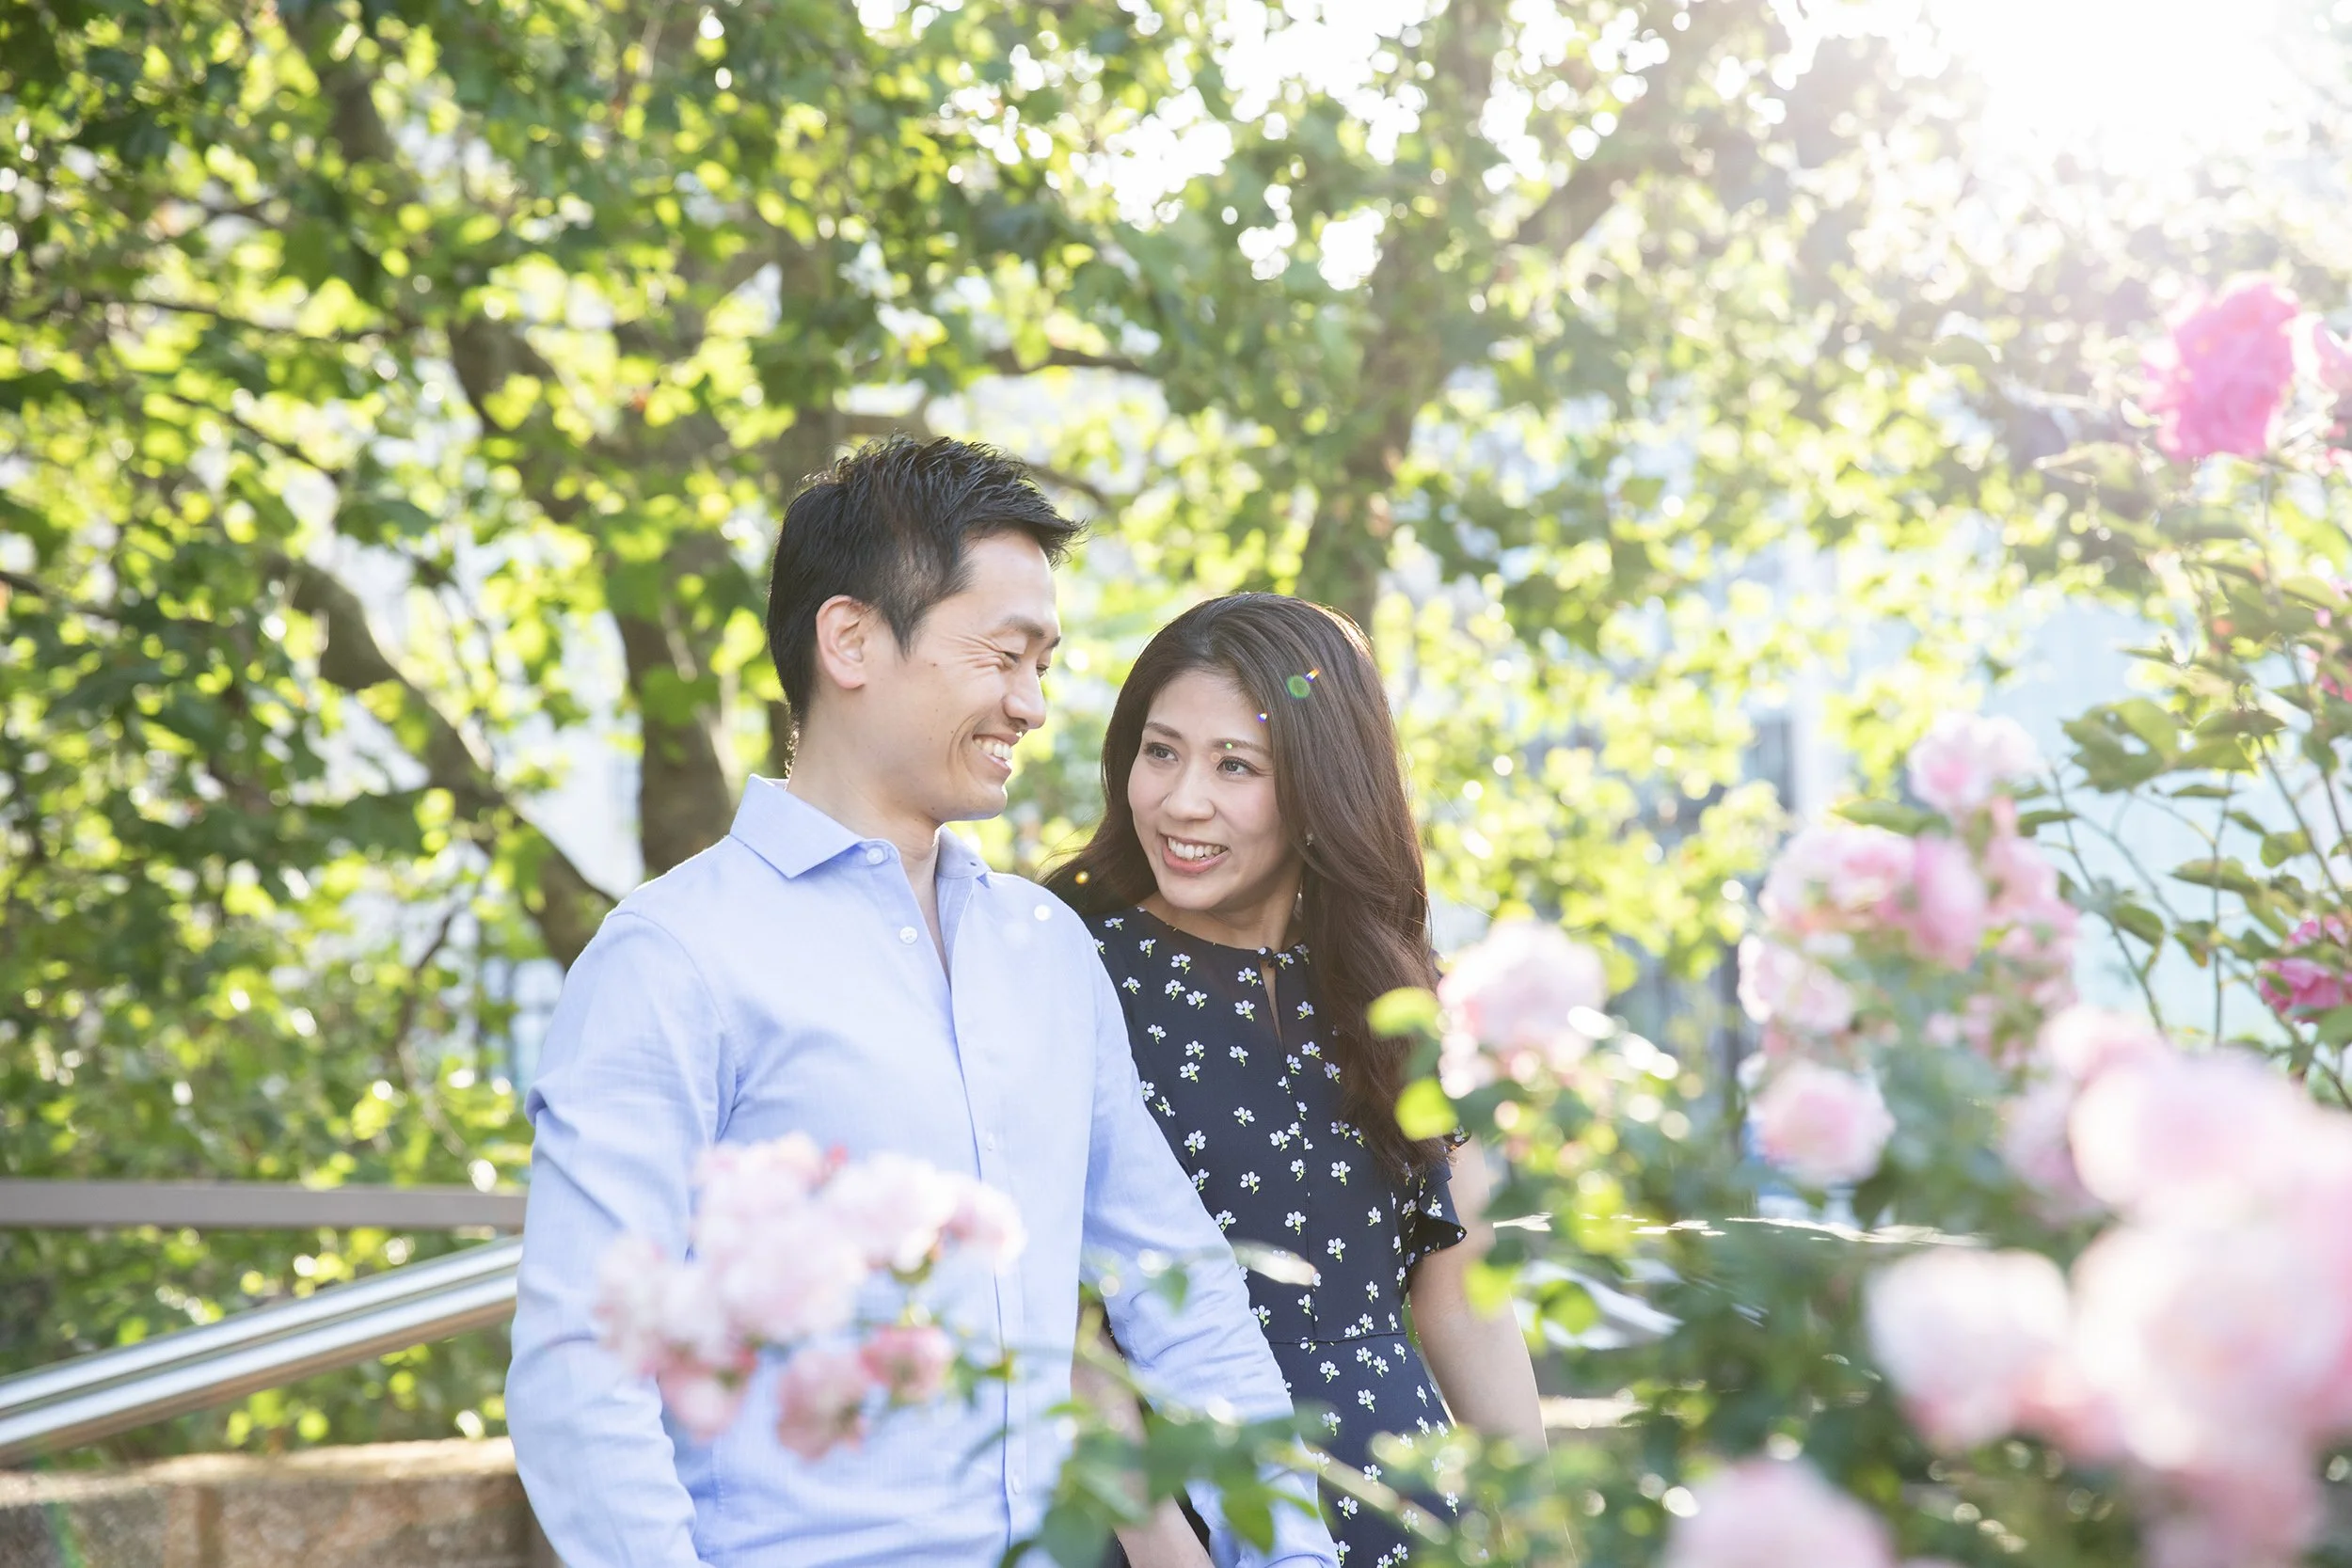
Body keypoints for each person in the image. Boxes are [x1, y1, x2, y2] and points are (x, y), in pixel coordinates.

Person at [506, 439, 1338, 1568]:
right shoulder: (673, 958)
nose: (1030, 704)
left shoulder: (1044, 947)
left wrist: (1293, 1551)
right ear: (849, 639)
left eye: (1042, 663)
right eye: (1002, 656)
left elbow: (1181, 1298)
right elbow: (582, 1368)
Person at [1048, 594, 1547, 1568]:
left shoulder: (1396, 990)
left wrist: (1539, 1534)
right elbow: (1063, 1324)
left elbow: (1462, 1297)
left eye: (1235, 764)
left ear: (1321, 782)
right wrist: (1166, 1550)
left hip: (1406, 1510)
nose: (1182, 800)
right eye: (1160, 752)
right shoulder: (1071, 971)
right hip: (1180, 1519)